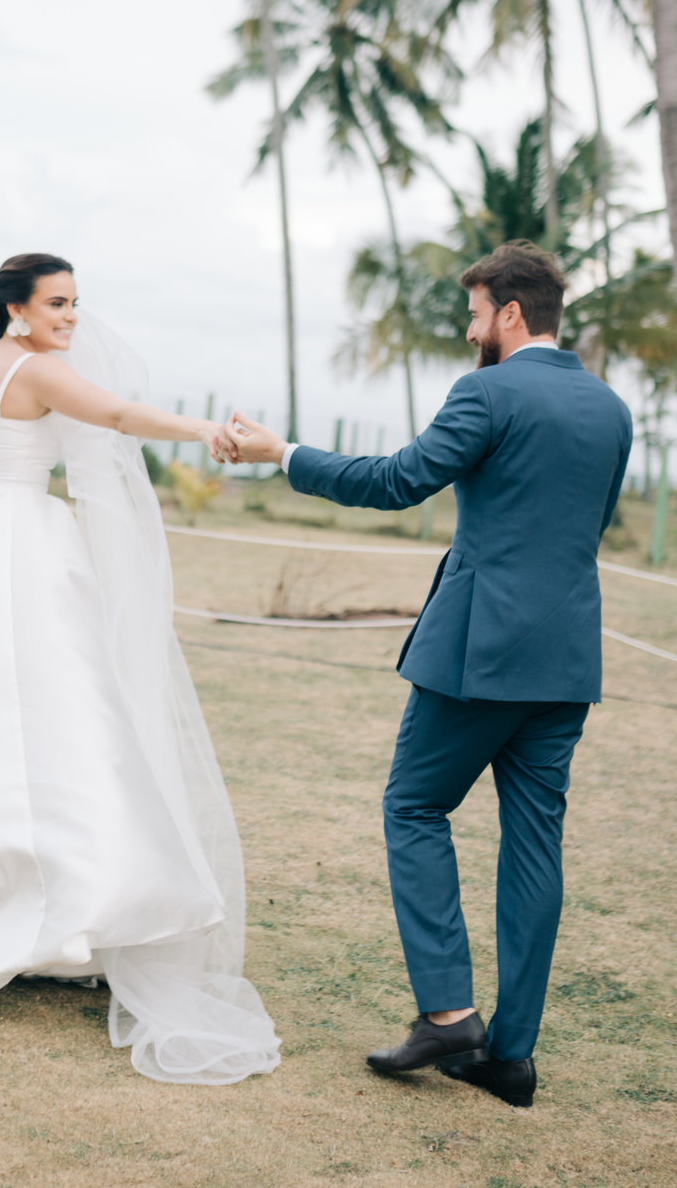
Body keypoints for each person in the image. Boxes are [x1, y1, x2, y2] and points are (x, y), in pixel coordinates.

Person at [0, 252, 280, 1087]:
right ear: (16, 307)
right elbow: (115, 414)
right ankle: (43, 898)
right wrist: (210, 432)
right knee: (52, 714)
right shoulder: (39, 372)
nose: (70, 317)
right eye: (56, 303)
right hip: (17, 549)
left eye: (76, 303)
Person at [223, 243, 632, 1108]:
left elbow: (399, 480)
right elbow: (584, 525)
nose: (471, 328)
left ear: (512, 314)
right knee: (534, 847)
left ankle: (449, 1015)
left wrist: (279, 450)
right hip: (566, 660)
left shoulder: (487, 390)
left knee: (413, 805)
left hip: (479, 656)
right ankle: (510, 1057)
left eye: (477, 312)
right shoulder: (610, 408)